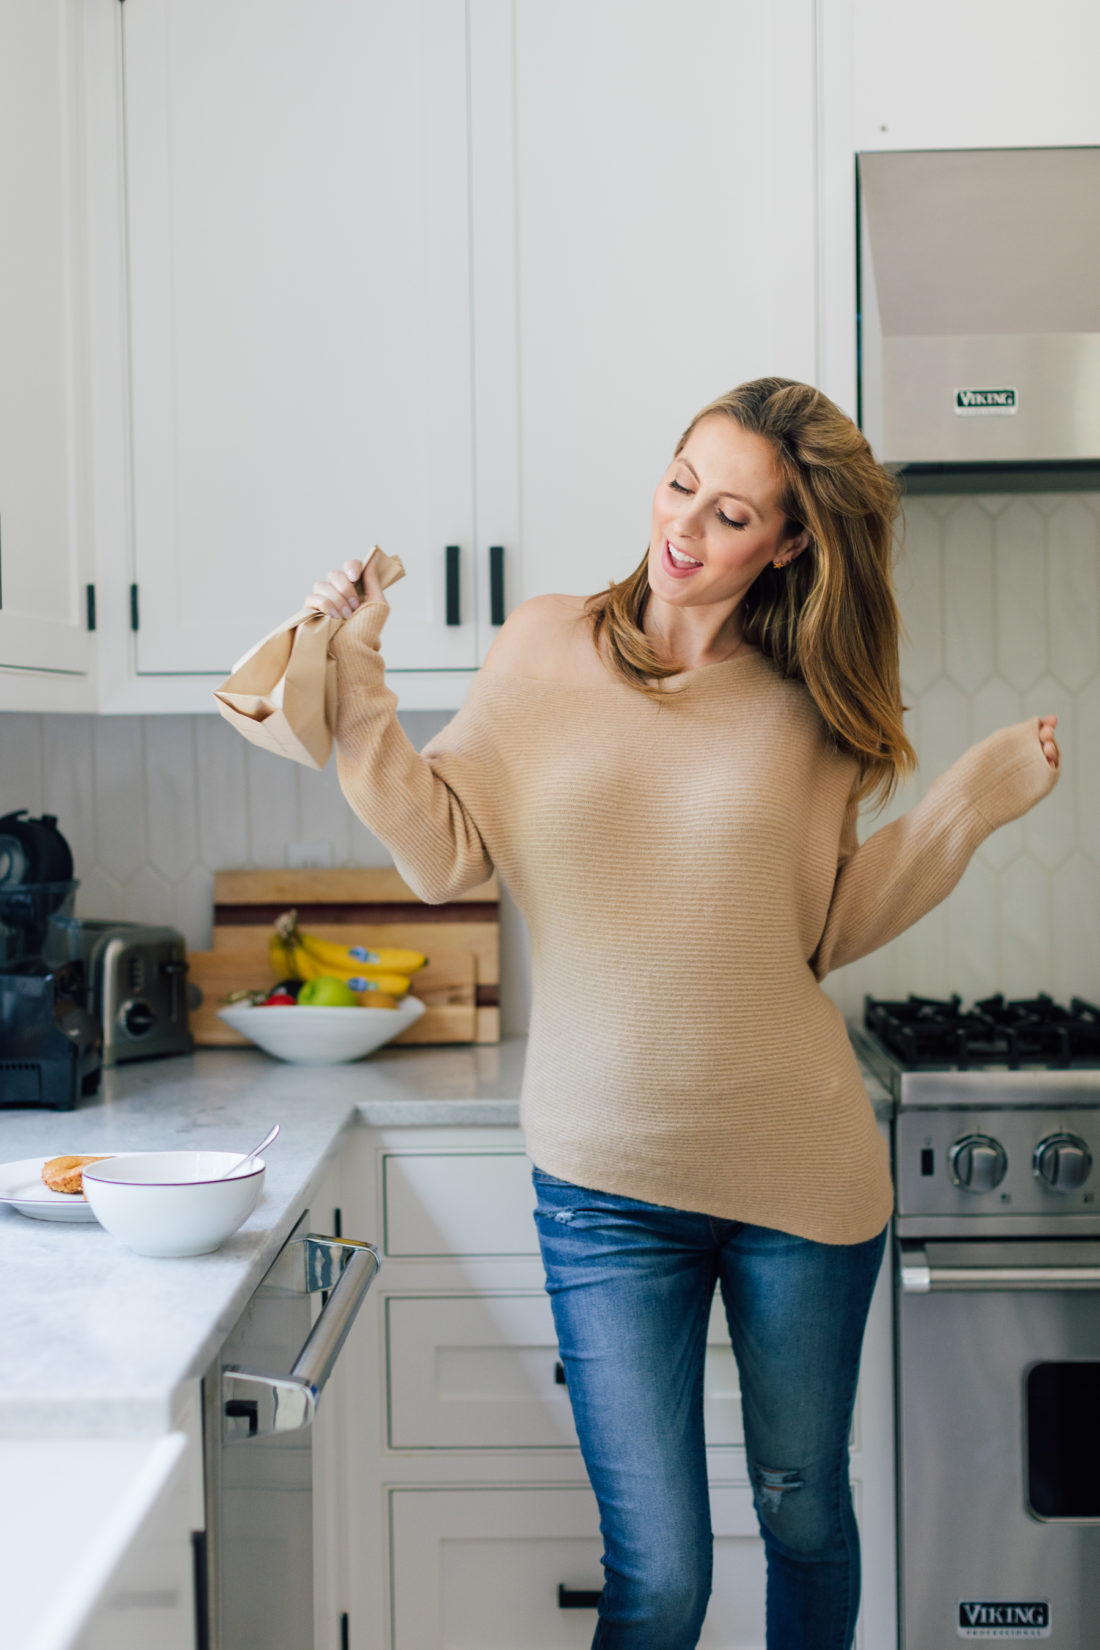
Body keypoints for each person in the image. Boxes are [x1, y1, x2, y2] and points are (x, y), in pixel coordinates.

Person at [306, 377, 1061, 1650]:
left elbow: (818, 932)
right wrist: (356, 679)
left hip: (802, 1173)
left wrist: (963, 807)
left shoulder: (807, 700)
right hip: (603, 1184)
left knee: (803, 1510)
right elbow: (444, 857)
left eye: (728, 513)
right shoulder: (544, 645)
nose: (683, 531)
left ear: (789, 540)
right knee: (658, 1574)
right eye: (677, 485)